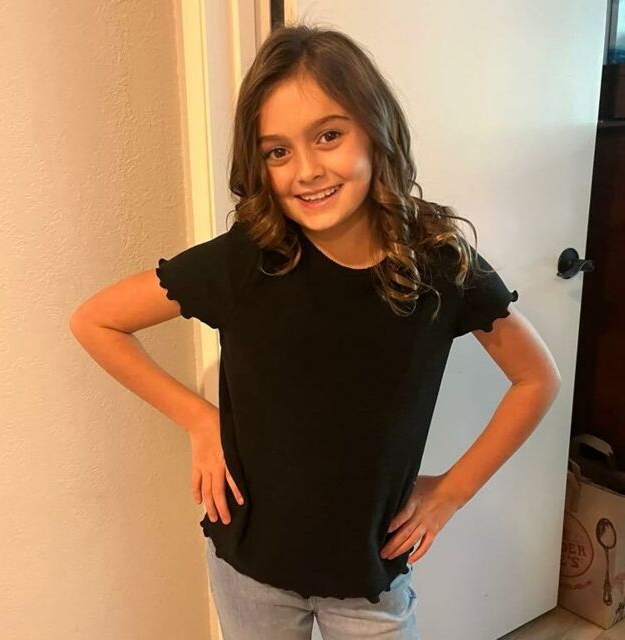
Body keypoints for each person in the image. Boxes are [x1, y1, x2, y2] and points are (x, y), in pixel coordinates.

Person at [70, 21, 561, 640]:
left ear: (376, 129)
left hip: (370, 573)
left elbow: (536, 379)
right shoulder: (246, 260)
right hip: (250, 570)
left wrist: (452, 492)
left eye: (328, 135)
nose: (305, 170)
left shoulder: (440, 262)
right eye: (278, 151)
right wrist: (198, 419)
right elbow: (96, 321)